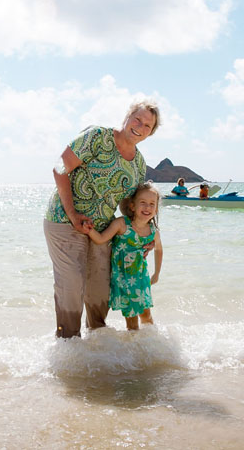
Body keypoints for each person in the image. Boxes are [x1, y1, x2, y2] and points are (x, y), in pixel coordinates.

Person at [43, 101, 160, 338]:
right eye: (137, 119)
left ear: (150, 133)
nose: (140, 126)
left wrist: (144, 237)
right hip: (64, 221)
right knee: (72, 287)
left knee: (100, 290)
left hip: (101, 230)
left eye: (147, 125)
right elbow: (59, 168)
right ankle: (68, 345)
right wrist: (73, 215)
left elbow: (134, 207)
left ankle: (98, 347)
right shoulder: (98, 137)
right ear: (128, 116)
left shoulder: (138, 164)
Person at [87, 182, 163, 330]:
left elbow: (159, 250)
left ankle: (152, 344)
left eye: (152, 204)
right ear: (132, 206)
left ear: (156, 209)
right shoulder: (122, 224)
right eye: (143, 203)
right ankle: (134, 350)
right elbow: (101, 238)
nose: (147, 207)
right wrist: (89, 230)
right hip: (123, 281)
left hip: (141, 279)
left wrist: (157, 273)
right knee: (132, 322)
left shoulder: (153, 231)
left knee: (147, 315)